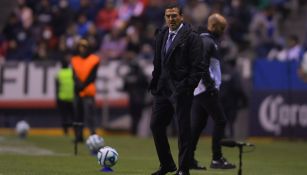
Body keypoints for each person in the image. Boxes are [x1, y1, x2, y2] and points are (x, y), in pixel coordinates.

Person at [148, 3, 204, 175]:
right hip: (163, 89)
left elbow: (198, 66)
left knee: (183, 129)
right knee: (156, 125)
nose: (171, 19)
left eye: (174, 16)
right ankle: (167, 164)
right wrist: (155, 82)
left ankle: (183, 169)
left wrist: (187, 87)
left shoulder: (192, 37)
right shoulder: (162, 34)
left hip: (181, 90)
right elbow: (158, 62)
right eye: (168, 16)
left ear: (182, 17)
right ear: (165, 17)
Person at [190, 13, 236, 170]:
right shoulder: (207, 41)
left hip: (201, 89)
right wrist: (210, 84)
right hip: (205, 89)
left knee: (198, 125)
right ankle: (217, 159)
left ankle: (188, 158)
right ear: (214, 26)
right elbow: (201, 65)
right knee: (221, 121)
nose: (223, 31)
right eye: (222, 28)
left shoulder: (207, 40)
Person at [71, 38, 100, 143]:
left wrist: (82, 85)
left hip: (88, 91)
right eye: (80, 47)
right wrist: (78, 84)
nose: (82, 49)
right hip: (78, 91)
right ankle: (78, 136)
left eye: (84, 47)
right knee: (77, 115)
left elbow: (92, 76)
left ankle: (94, 137)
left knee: (89, 116)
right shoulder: (74, 59)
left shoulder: (94, 59)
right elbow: (74, 75)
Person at [122, 57, 149, 136]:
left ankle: (134, 131)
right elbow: (147, 86)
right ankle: (136, 132)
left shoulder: (128, 75)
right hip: (140, 99)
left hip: (133, 99)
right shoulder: (142, 75)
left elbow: (124, 88)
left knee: (135, 117)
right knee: (138, 117)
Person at [55, 59, 75, 136]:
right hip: (71, 97)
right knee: (73, 116)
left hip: (62, 98)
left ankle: (65, 131)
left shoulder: (59, 74)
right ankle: (75, 130)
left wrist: (56, 98)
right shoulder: (71, 72)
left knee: (64, 116)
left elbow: (57, 87)